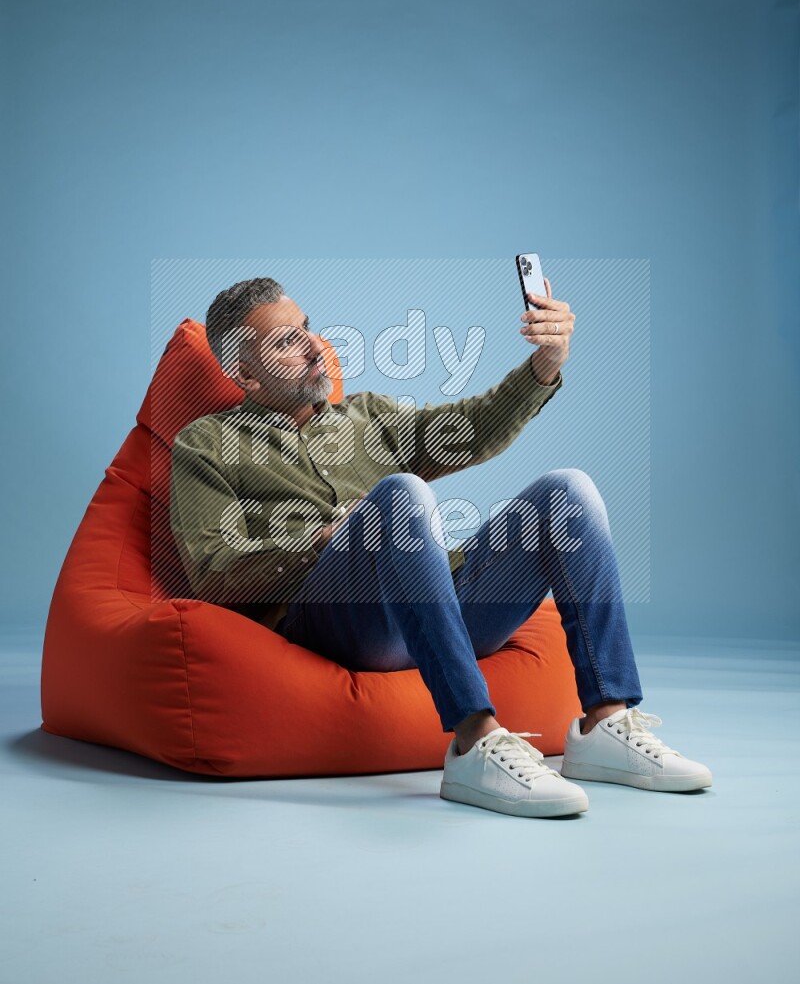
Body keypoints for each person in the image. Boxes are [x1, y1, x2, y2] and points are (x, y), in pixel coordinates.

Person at [169, 276, 712, 818]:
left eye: (308, 329)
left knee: (569, 492)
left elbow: (472, 428)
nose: (316, 347)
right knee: (401, 494)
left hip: (446, 610)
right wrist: (322, 541)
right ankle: (475, 740)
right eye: (286, 341)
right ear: (243, 373)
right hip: (347, 626)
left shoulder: (369, 415)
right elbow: (214, 572)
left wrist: (545, 364)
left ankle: (605, 722)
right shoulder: (206, 444)